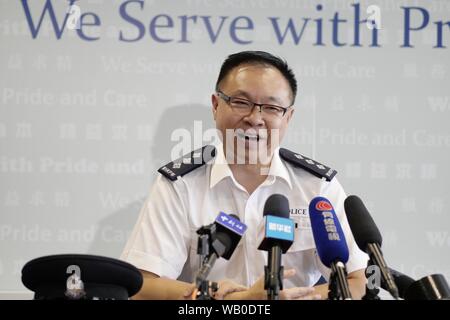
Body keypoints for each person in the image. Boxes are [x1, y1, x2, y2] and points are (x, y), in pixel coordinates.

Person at [120, 51, 368, 300]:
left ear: (288, 118)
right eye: (241, 102)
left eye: (271, 108)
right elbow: (143, 286)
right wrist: (226, 300)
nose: (255, 119)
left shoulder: (318, 187)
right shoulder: (180, 185)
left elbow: (355, 281)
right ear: (216, 106)